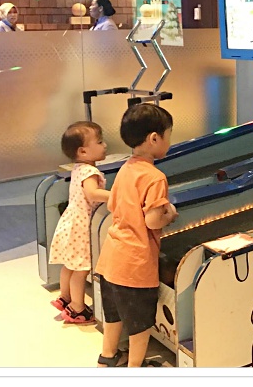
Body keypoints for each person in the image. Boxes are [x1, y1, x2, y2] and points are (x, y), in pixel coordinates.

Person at [95, 104, 178, 367]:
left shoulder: (126, 168)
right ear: (155, 138)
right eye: (168, 135)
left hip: (111, 259)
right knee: (140, 325)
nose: (168, 140)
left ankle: (107, 358)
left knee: (114, 315)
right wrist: (170, 213)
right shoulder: (155, 177)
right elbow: (153, 221)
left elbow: (112, 205)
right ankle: (135, 368)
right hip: (135, 263)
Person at [49, 121, 111, 325]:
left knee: (70, 264)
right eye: (100, 141)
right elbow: (92, 193)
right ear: (83, 151)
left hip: (71, 220)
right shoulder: (89, 172)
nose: (105, 145)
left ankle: (64, 298)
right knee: (82, 268)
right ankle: (77, 308)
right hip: (82, 225)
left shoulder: (79, 167)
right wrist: (117, 195)